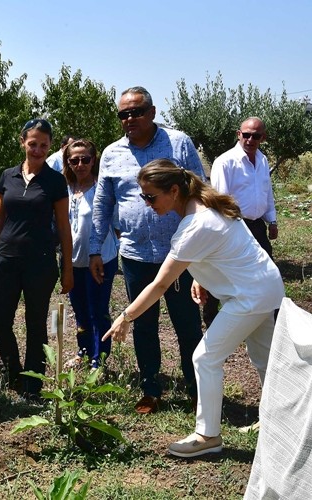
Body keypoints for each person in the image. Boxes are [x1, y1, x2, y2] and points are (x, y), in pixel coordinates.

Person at [104, 159, 284, 458]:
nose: (147, 204)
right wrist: (201, 277)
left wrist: (126, 316)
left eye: (151, 196)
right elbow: (230, 249)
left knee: (204, 357)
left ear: (173, 190)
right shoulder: (206, 204)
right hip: (264, 287)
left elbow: (160, 285)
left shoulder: (196, 224)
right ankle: (277, 420)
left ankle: (208, 436)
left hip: (249, 296)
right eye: (143, 197)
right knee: (264, 358)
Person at [90, 86, 205, 414]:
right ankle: (151, 389)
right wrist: (96, 248)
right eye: (123, 114)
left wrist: (199, 243)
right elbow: (103, 203)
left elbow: (198, 190)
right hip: (135, 254)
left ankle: (197, 388)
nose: (130, 119)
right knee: (143, 322)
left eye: (137, 112)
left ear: (152, 112)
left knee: (187, 323)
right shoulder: (112, 154)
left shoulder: (177, 143)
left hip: (179, 253)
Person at [0, 119, 74, 398]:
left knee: (35, 325)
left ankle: (33, 384)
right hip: (7, 259)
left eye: (44, 145)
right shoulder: (7, 175)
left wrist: (66, 268)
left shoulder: (56, 182)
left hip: (40, 262)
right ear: (23, 141)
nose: (38, 150)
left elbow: (64, 227)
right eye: (33, 144)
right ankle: (13, 375)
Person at [203, 117, 278, 326]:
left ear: (263, 137)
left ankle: (265, 318)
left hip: (257, 226)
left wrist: (272, 221)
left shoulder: (262, 160)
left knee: (266, 271)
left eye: (256, 136)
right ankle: (211, 320)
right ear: (239, 134)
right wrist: (230, 229)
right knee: (223, 272)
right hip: (233, 224)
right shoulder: (225, 162)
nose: (250, 139)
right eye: (246, 134)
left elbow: (266, 193)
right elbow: (221, 199)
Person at [62, 139, 118, 369]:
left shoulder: (102, 190)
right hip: (74, 261)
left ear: (94, 160)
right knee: (80, 311)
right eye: (74, 160)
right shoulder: (65, 190)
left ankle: (100, 359)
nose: (80, 164)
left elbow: (114, 225)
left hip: (101, 259)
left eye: (85, 159)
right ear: (68, 162)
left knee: (98, 310)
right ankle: (83, 352)